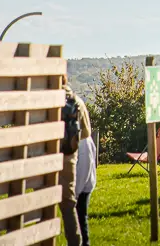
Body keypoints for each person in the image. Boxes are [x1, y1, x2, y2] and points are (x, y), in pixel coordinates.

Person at [59, 84, 92, 246]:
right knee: (72, 206)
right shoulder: (76, 101)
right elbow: (86, 132)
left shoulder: (44, 100)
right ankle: (78, 242)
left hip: (52, 157)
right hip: (73, 156)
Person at [74, 91, 97, 246]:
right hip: (85, 146)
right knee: (81, 211)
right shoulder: (76, 100)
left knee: (79, 209)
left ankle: (84, 242)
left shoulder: (69, 102)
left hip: (80, 148)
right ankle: (84, 241)